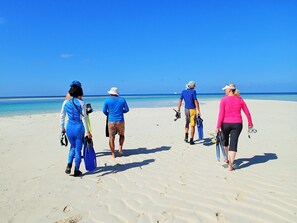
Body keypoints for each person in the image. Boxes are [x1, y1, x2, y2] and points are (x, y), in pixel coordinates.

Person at [216, 83, 254, 171]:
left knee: (225, 141)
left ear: (230, 90)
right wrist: (250, 123)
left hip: (225, 124)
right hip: (237, 124)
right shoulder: (240, 100)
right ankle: (230, 166)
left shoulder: (223, 100)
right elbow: (247, 112)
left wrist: (217, 126)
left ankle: (226, 159)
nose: (224, 91)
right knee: (233, 143)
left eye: (225, 89)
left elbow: (221, 114)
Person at [60, 81, 92, 176]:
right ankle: (76, 170)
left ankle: (69, 165)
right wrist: (88, 131)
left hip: (69, 126)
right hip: (78, 127)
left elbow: (62, 116)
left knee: (73, 147)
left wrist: (62, 128)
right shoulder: (82, 103)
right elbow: (85, 119)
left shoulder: (65, 102)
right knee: (78, 150)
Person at [103, 87, 129, 158]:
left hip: (111, 121)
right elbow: (127, 110)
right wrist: (121, 111)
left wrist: (109, 113)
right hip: (120, 120)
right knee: (122, 135)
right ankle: (120, 148)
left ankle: (113, 154)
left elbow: (104, 111)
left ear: (111, 93)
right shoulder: (122, 99)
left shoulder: (107, 100)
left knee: (111, 137)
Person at [177, 81, 201, 145]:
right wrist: (198, 111)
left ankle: (186, 136)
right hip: (192, 110)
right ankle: (191, 140)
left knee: (187, 122)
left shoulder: (183, 91)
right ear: (190, 86)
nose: (195, 86)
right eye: (194, 85)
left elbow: (180, 101)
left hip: (186, 109)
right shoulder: (193, 91)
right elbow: (196, 101)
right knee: (192, 125)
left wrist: (178, 109)